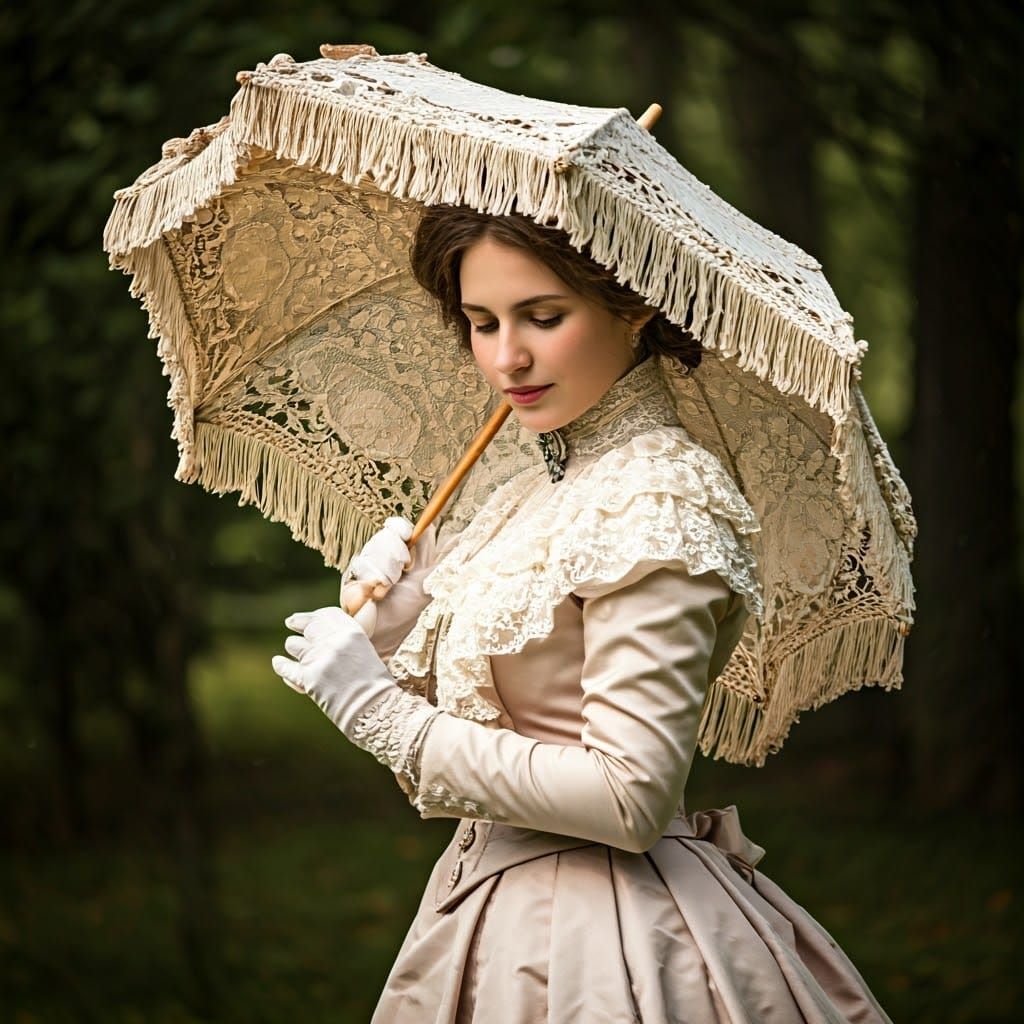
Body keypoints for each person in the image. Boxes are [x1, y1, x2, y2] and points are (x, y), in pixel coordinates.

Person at [271, 207, 893, 1023]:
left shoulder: (657, 497)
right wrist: (392, 635)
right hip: (492, 919)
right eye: (481, 322)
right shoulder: (534, 492)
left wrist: (379, 712)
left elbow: (628, 798)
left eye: (543, 316)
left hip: (609, 949)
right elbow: (486, 760)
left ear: (632, 305)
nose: (506, 358)